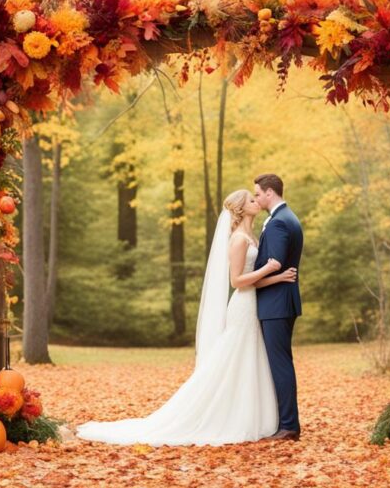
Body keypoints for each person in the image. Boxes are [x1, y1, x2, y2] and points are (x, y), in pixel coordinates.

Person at [75, 189, 297, 446]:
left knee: (251, 358)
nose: (255, 201)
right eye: (250, 199)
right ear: (240, 208)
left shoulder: (251, 236)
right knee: (235, 357)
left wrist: (277, 277)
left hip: (253, 302)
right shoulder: (237, 239)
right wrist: (270, 268)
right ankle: (223, 414)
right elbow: (236, 281)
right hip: (242, 305)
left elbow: (253, 281)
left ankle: (254, 415)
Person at [252, 173, 304, 441]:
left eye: (258, 194)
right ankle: (285, 421)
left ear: (270, 193)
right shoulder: (287, 218)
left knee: (280, 364)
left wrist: (246, 277)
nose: (256, 198)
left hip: (276, 303)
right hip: (283, 300)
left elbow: (275, 262)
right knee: (281, 362)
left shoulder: (278, 223)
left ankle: (289, 426)